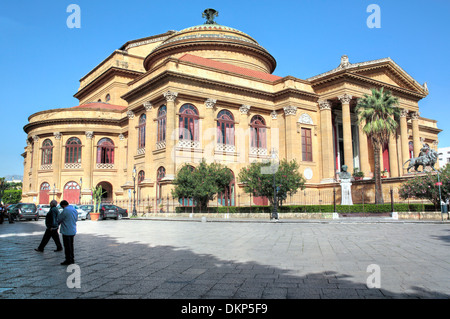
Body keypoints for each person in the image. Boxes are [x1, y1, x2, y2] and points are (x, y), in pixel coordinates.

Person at [57, 200, 78, 265]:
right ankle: (72, 259)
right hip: (72, 230)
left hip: (66, 231)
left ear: (63, 205)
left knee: (67, 246)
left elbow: (59, 219)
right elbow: (76, 219)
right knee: (71, 245)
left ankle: (68, 259)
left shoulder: (65, 210)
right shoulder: (74, 210)